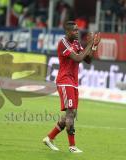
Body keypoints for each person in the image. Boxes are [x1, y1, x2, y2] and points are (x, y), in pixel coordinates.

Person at [43, 21, 100, 153]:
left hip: (73, 82)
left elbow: (88, 60)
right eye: (74, 30)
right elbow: (78, 58)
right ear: (67, 32)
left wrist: (94, 47)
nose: (77, 32)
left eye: (77, 30)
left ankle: (49, 137)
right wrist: (90, 44)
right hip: (64, 80)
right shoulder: (63, 43)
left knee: (71, 114)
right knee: (70, 113)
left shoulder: (76, 43)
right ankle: (72, 146)